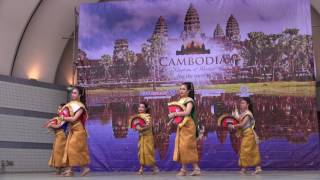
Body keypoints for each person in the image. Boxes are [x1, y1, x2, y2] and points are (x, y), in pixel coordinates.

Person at [168, 82, 201, 176]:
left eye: (183, 89)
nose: (181, 90)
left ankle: (195, 168)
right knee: (181, 147)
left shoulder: (190, 100)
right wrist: (172, 121)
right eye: (180, 89)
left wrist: (174, 114)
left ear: (188, 91)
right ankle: (184, 169)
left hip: (189, 126)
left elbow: (187, 112)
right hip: (181, 125)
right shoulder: (180, 100)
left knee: (188, 146)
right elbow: (179, 115)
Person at [61, 86, 90, 177]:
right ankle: (70, 170)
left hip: (79, 131)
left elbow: (74, 119)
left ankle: (84, 168)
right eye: (72, 93)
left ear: (80, 95)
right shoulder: (69, 105)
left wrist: (63, 118)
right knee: (68, 149)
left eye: (75, 93)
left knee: (73, 149)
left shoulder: (80, 106)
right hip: (73, 130)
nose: (73, 94)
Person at [231, 97, 262, 175]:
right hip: (246, 134)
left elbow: (242, 124)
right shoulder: (244, 113)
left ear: (247, 105)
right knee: (252, 151)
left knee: (244, 150)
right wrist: (235, 115)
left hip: (249, 134)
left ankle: (244, 169)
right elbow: (239, 119)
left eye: (243, 103)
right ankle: (257, 168)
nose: (241, 104)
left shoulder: (248, 114)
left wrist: (234, 126)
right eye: (241, 103)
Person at [135, 102, 159, 175]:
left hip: (148, 138)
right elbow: (135, 125)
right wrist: (137, 127)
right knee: (141, 153)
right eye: (139, 107)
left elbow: (147, 126)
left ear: (145, 109)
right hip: (141, 137)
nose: (140, 108)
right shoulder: (137, 117)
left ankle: (154, 168)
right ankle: (141, 169)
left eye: (142, 107)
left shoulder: (148, 117)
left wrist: (141, 128)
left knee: (148, 153)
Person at [48, 103, 67, 175]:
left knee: (60, 152)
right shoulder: (58, 118)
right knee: (56, 152)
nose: (58, 110)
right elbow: (56, 127)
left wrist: (51, 125)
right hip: (57, 135)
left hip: (62, 136)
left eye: (60, 108)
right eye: (58, 108)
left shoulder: (64, 118)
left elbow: (59, 126)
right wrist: (51, 128)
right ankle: (59, 169)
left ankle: (65, 169)